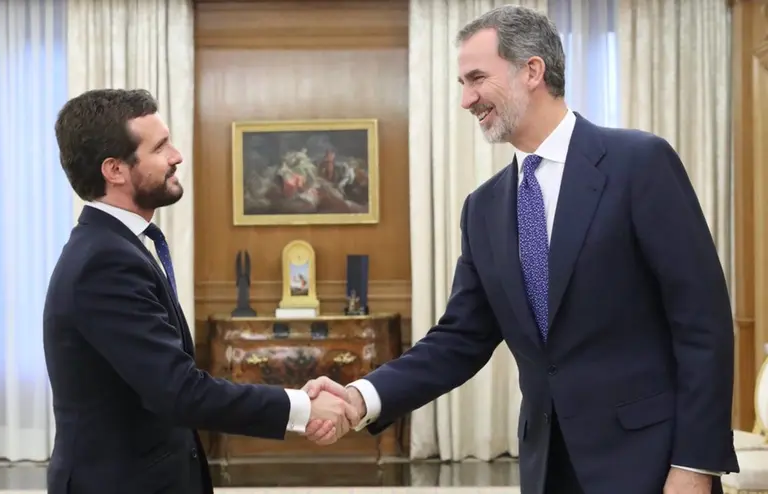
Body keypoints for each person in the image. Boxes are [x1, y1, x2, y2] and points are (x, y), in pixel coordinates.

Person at [302, 6, 738, 494]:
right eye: (462, 83)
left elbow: (703, 324)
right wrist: (362, 397)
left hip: (651, 465)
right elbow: (459, 340)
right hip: (547, 467)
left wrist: (697, 462)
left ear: (532, 70)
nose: (466, 99)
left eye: (476, 78)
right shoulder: (483, 208)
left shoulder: (639, 163)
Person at [43, 88, 354, 494]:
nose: (177, 156)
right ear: (115, 170)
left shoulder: (116, 246)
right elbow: (179, 391)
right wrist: (303, 407)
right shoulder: (104, 263)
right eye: (160, 147)